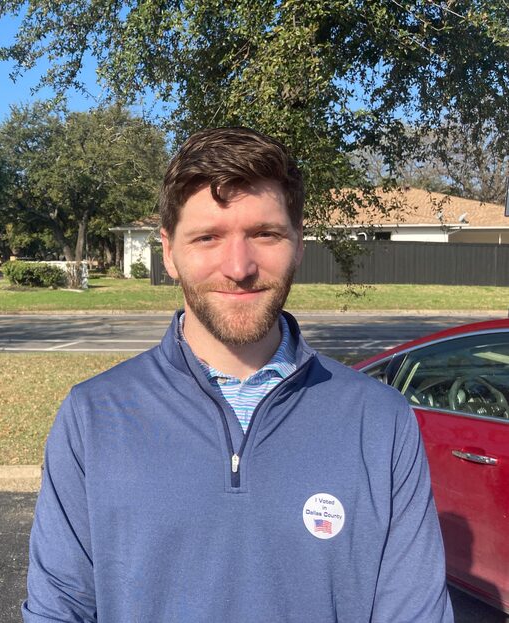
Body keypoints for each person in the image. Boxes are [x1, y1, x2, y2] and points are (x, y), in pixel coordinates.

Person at [23, 127, 452, 622]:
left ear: (299, 244)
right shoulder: (93, 415)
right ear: (168, 252)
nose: (239, 266)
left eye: (264, 234)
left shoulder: (380, 421)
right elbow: (59, 610)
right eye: (207, 237)